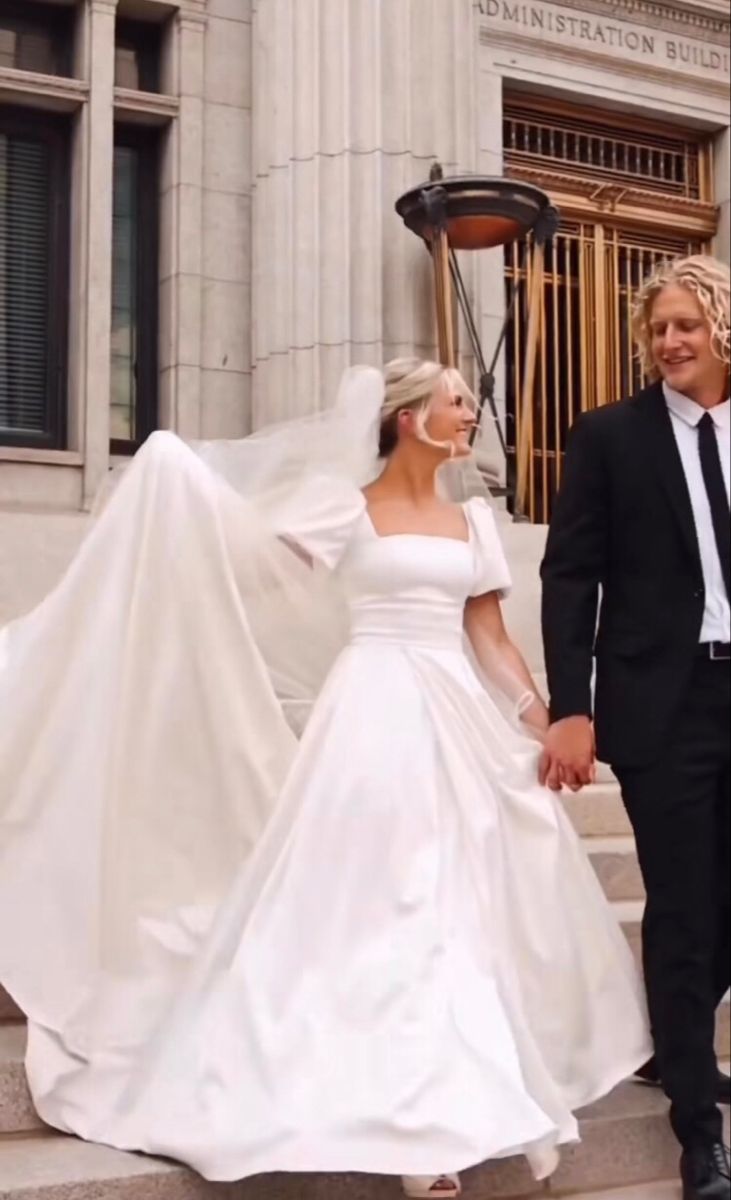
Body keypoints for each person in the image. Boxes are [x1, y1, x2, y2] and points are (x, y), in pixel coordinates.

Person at [0, 359, 651, 1198]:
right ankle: (411, 1127)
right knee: (391, 899)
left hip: (450, 712)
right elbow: (253, 566)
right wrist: (176, 486)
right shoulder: (344, 510)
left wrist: (549, 719)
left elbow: (489, 641)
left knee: (449, 905)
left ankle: (436, 1113)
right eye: (457, 403)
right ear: (411, 420)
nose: (469, 416)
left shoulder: (473, 522)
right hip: (370, 716)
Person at [540, 255, 730, 1200]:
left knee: (717, 909)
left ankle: (674, 1037)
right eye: (656, 330)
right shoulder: (610, 437)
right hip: (663, 703)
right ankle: (699, 1132)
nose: (668, 342)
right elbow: (568, 575)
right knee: (684, 905)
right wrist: (569, 706)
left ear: (720, 328)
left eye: (684, 325)